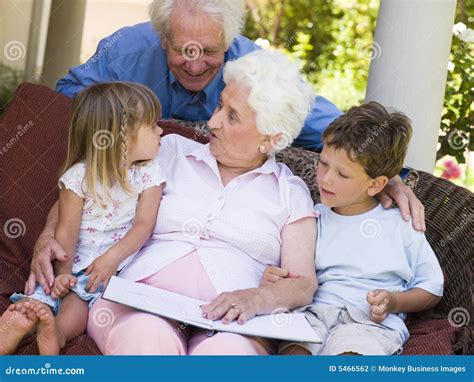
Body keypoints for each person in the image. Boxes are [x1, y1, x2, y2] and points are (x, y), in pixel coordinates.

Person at [86, 49, 319, 354]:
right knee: (147, 338)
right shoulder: (169, 152)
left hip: (232, 324)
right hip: (139, 301)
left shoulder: (289, 192)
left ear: (271, 138)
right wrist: (51, 234)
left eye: (231, 115)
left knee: (227, 356)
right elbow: (90, 182)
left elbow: (303, 284)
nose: (213, 121)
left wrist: (255, 299)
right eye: (220, 106)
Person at [261, 102, 444, 356]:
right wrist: (275, 278)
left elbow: (432, 287)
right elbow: (294, 272)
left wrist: (393, 302)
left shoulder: (401, 224)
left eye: (342, 175)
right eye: (323, 163)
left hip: (369, 324)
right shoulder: (313, 217)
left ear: (376, 184)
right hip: (314, 314)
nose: (326, 178)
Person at [0, 82, 165, 355]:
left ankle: (55, 334)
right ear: (122, 139)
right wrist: (64, 277)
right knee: (43, 298)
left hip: (105, 270)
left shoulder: (148, 173)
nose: (161, 131)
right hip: (71, 261)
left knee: (78, 309)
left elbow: (144, 225)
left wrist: (111, 259)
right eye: (152, 126)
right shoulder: (79, 177)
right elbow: (67, 229)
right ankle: (19, 322)